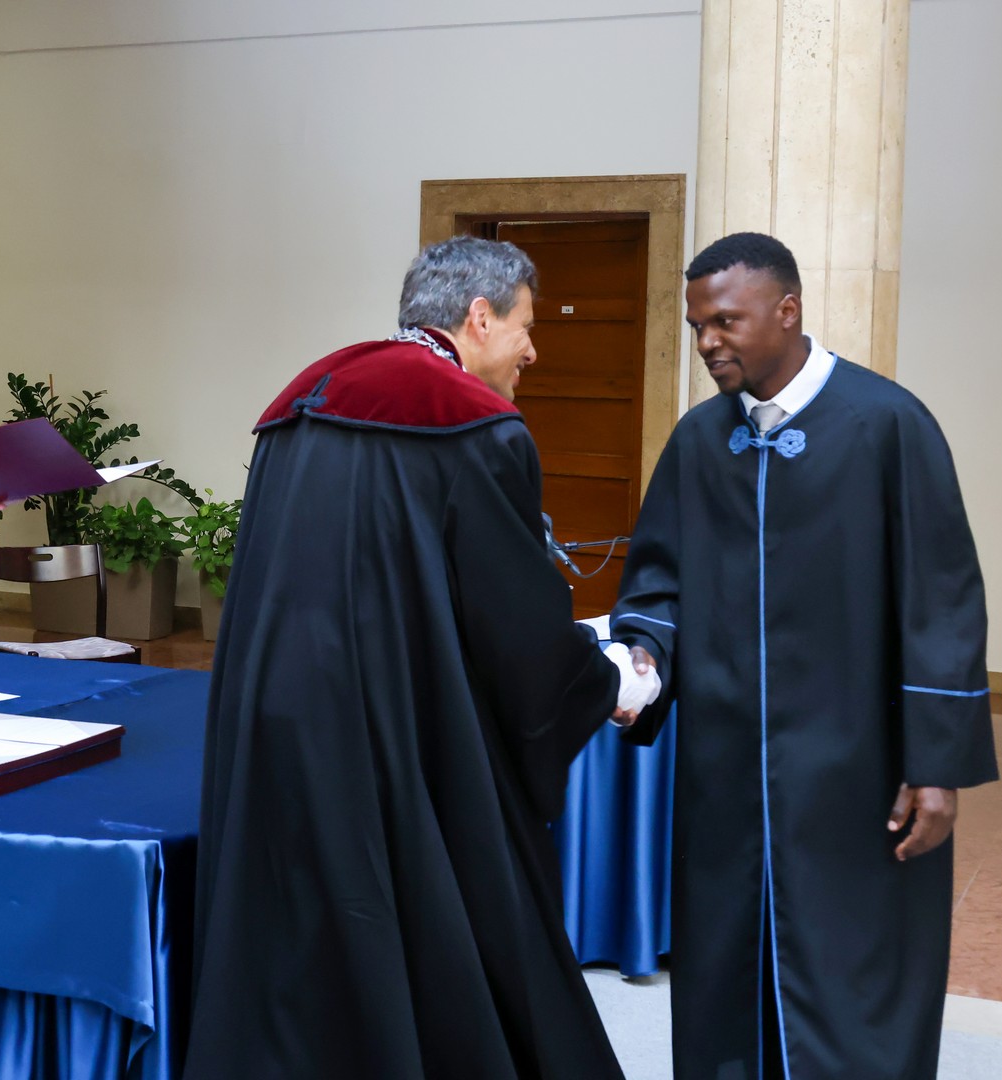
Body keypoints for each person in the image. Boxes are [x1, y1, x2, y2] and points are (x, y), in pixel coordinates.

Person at [185, 236, 656, 1079]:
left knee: (299, 936)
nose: (532, 351)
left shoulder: (306, 398)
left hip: (278, 718)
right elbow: (517, 634)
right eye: (526, 327)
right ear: (480, 318)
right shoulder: (475, 425)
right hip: (403, 737)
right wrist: (608, 679)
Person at [611, 232, 999, 1079]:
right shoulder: (698, 441)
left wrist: (937, 766)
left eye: (726, 321)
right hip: (725, 781)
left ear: (787, 310)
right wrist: (643, 657)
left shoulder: (887, 424)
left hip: (857, 777)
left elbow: (942, 602)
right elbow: (657, 586)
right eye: (697, 325)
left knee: (855, 982)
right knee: (725, 974)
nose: (707, 341)